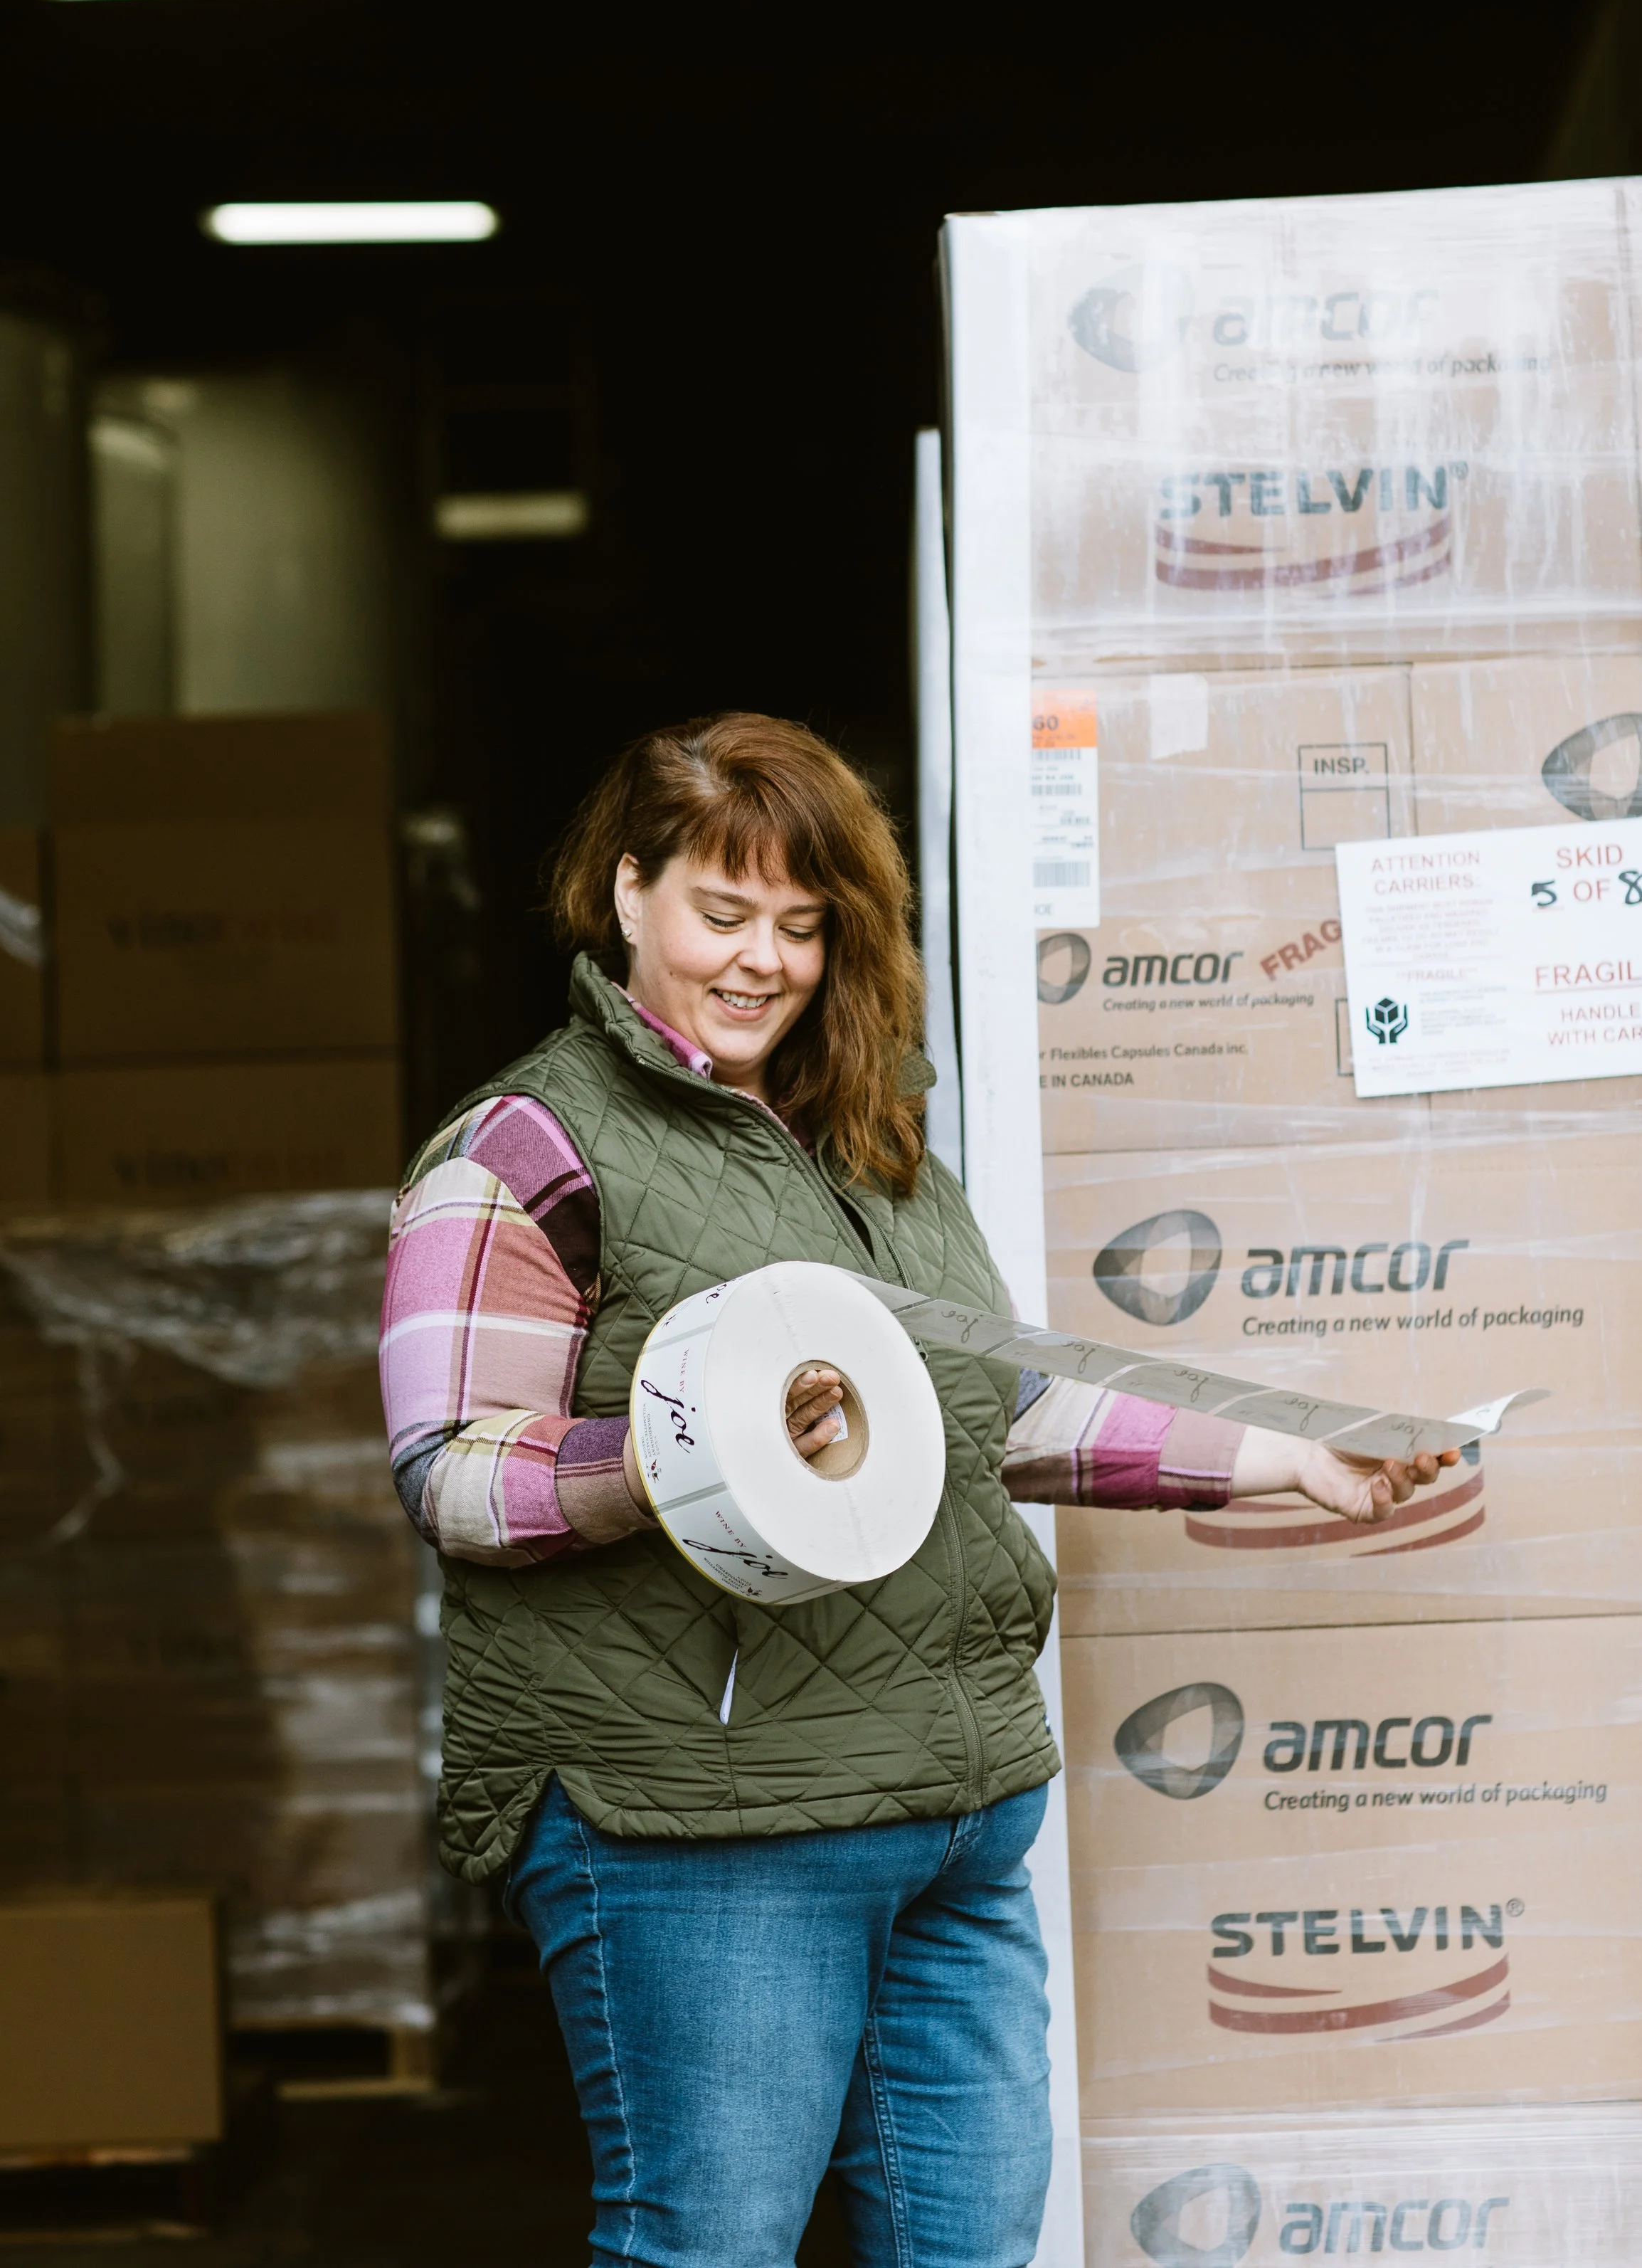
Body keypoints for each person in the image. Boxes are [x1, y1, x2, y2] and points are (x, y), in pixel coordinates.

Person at [378, 713, 1451, 2268]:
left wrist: (1288, 1451)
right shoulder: (525, 1151)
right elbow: (455, 1474)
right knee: (711, 2247)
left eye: (800, 926)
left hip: (951, 1814)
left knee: (967, 2246)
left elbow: (988, 1406)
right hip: (708, 1822)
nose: (760, 962)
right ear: (626, 897)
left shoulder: (869, 1145)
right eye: (720, 913)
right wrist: (701, 1453)